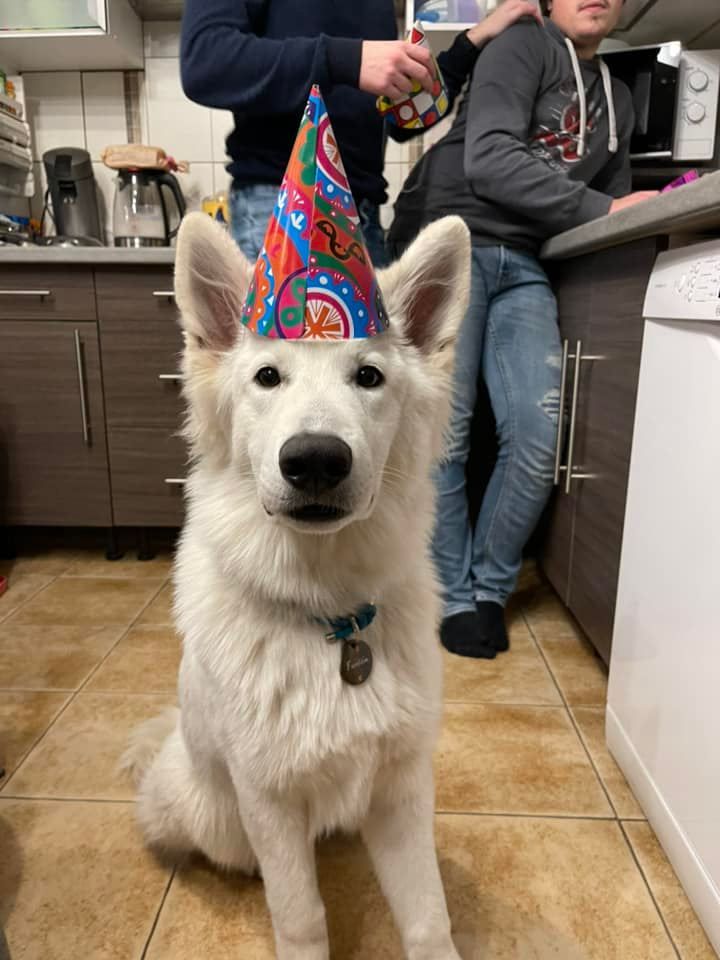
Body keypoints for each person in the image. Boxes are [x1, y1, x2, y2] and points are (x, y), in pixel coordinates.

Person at [388, 0, 657, 659]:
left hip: (529, 263)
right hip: (461, 249)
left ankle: (488, 589)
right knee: (445, 439)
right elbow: (488, 160)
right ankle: (451, 596)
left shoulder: (617, 99)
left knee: (539, 437)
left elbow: (609, 209)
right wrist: (605, 205)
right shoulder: (521, 45)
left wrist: (616, 215)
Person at [179, 0, 542, 266]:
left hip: (362, 216)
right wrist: (346, 60)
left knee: (357, 367)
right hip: (288, 206)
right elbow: (206, 62)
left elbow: (400, 120)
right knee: (298, 366)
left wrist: (471, 42)